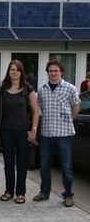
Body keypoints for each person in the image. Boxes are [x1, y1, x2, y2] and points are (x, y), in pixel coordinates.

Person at [33, 59, 80, 207]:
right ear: (47, 72)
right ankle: (44, 192)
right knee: (45, 165)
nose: (53, 73)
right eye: (50, 71)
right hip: (46, 134)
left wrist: (68, 121)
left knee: (66, 166)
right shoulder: (42, 89)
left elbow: (76, 107)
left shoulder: (70, 88)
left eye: (56, 71)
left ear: (61, 72)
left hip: (63, 134)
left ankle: (68, 195)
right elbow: (38, 109)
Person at [0, 60, 39, 204]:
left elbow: (35, 112)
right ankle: (9, 191)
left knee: (21, 164)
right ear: (8, 71)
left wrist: (33, 130)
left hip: (23, 132)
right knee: (8, 163)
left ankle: (20, 192)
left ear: (21, 72)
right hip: (6, 131)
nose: (14, 72)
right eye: (12, 69)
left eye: (17, 70)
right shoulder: (3, 89)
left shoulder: (28, 89)